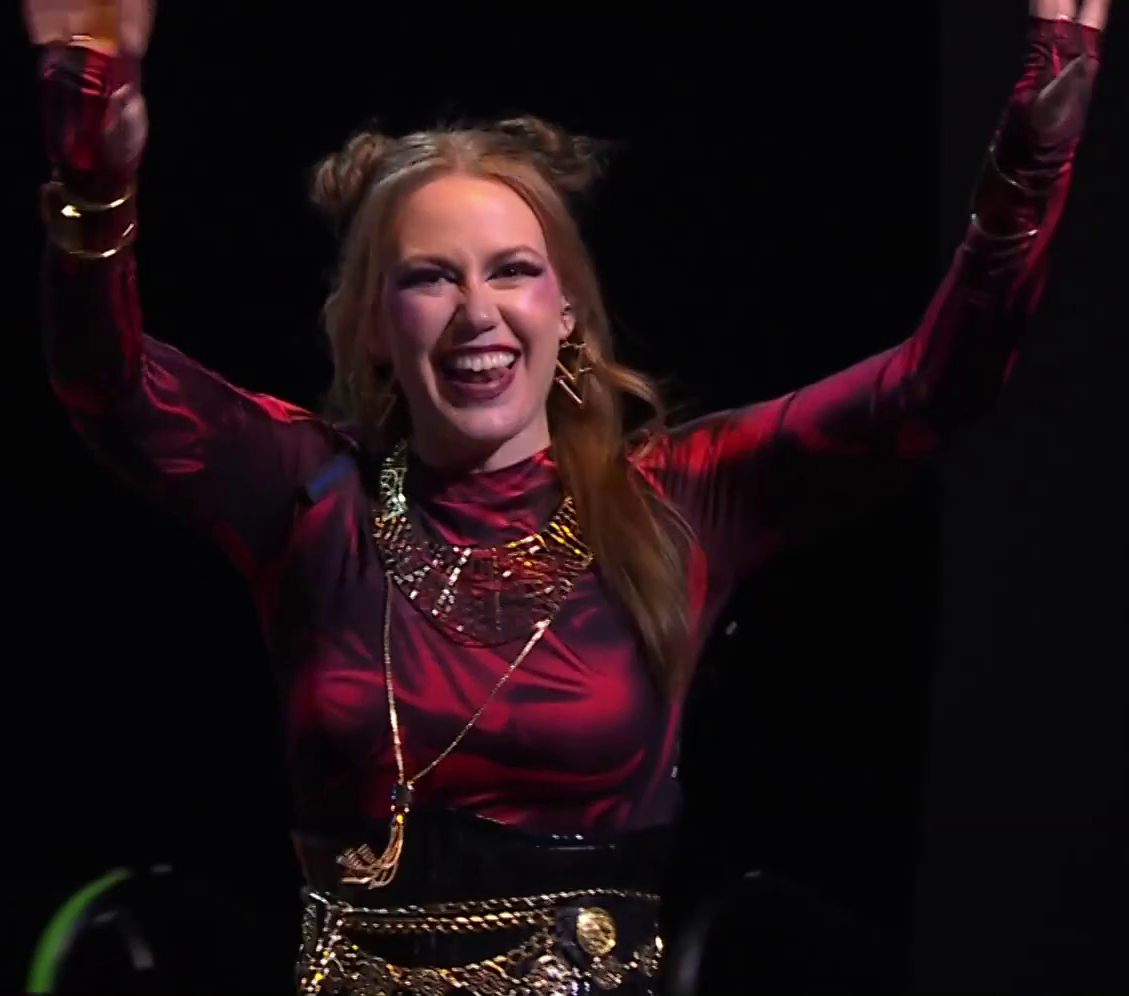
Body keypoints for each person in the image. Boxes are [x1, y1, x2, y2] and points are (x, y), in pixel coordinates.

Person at [26, 0, 1110, 992]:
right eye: (428, 277)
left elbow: (931, 388)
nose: (476, 312)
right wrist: (94, 182)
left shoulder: (679, 502)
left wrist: (1026, 170)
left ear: (568, 313)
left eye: (511, 270)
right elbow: (110, 388)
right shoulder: (311, 495)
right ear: (373, 329)